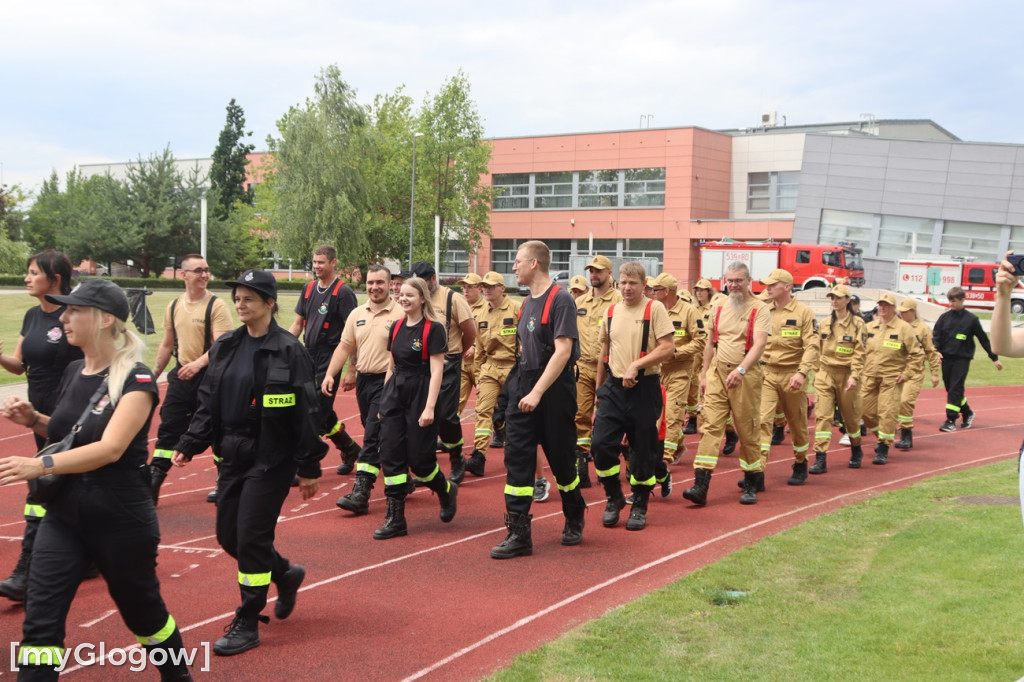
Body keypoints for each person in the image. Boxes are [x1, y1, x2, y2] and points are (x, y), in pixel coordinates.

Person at [0, 278, 192, 680]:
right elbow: (72, 433)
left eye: (73, 311)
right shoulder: (74, 370)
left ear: (105, 319)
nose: (64, 318)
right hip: (64, 515)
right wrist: (34, 419)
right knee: (39, 623)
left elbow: (110, 448)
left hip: (119, 518)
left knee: (145, 616)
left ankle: (177, 674)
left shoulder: (138, 380)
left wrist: (42, 466)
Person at [173, 270, 326, 656]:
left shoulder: (290, 350)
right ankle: (284, 574)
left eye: (249, 300)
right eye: (238, 299)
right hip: (232, 455)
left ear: (270, 304)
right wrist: (190, 443)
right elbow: (208, 401)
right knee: (229, 537)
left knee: (252, 537)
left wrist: (308, 466)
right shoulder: (226, 346)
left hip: (272, 459)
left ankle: (248, 618)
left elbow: (308, 412)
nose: (241, 305)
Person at [491, 240, 586, 558]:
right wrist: (507, 396)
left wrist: (537, 392)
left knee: (561, 463)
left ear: (534, 263)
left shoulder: (560, 300)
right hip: (525, 388)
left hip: (553, 393)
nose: (513, 266)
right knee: (517, 463)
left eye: (517, 261)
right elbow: (522, 356)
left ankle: (574, 513)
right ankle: (518, 533)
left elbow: (562, 352)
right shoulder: (526, 303)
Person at [0, 251, 83, 603]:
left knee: (44, 484)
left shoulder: (74, 316)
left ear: (56, 279)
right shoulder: (33, 316)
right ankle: (88, 552)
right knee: (64, 483)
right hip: (37, 414)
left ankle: (27, 569)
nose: (26, 278)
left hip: (68, 412)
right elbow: (19, 366)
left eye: (33, 273)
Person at [371, 276, 458, 540]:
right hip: (395, 392)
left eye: (410, 295)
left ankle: (444, 489)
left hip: (421, 392)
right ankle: (396, 518)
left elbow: (437, 371)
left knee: (420, 460)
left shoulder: (433, 329)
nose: (403, 298)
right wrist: (384, 401)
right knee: (391, 454)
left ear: (422, 298)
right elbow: (391, 366)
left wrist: (430, 408)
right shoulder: (396, 327)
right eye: (401, 294)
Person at [593, 263, 674, 530]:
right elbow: (603, 350)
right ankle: (614, 496)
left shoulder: (655, 309)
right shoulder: (611, 311)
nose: (627, 288)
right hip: (613, 389)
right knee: (601, 447)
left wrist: (636, 365)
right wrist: (599, 390)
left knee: (642, 452)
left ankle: (639, 503)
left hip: (644, 388)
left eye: (633, 283)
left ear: (643, 285)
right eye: (624, 283)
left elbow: (668, 348)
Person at [682, 261, 770, 506]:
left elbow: (759, 344)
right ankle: (700, 485)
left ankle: (752, 480)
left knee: (747, 428)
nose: (733, 285)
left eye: (738, 280)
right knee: (710, 426)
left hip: (746, 376)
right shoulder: (719, 306)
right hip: (718, 374)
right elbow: (710, 343)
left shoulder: (759, 309)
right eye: (730, 280)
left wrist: (741, 370)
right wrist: (704, 375)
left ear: (748, 281)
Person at [150, 254, 233, 505]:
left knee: (217, 429)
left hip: (210, 377)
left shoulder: (216, 306)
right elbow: (166, 345)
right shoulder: (174, 305)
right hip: (182, 376)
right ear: (184, 274)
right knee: (169, 427)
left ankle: (224, 480)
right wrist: (152, 375)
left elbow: (221, 346)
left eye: (207, 270)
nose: (204, 275)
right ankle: (154, 480)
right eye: (198, 271)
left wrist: (198, 364)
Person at [322, 265, 404, 515]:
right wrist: (330, 374)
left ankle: (361, 491)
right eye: (370, 283)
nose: (374, 287)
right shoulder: (357, 313)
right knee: (380, 433)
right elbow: (345, 346)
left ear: (390, 285)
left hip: (389, 382)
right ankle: (404, 477)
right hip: (364, 382)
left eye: (380, 282)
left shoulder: (401, 312)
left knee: (372, 436)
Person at [289, 245, 360, 474]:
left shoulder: (343, 292)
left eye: (321, 262)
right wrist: (280, 349)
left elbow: (353, 336)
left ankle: (302, 464)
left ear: (333, 263)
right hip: (307, 356)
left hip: (331, 357)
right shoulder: (308, 289)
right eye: (314, 262)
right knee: (318, 409)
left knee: (315, 410)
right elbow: (298, 323)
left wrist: (351, 370)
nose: (317, 266)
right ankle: (349, 448)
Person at [411, 261, 476, 483]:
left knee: (448, 416)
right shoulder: (416, 298)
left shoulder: (452, 299)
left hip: (448, 363)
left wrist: (458, 353)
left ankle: (457, 456)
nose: (419, 286)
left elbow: (470, 332)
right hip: (421, 365)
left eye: (423, 282)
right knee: (423, 416)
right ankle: (427, 467)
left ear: (432, 279)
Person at [757, 269, 820, 486]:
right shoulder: (764, 311)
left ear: (786, 286)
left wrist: (802, 373)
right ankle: (757, 470)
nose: (768, 288)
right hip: (767, 373)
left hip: (792, 373)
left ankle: (801, 462)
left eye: (773, 284)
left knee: (796, 422)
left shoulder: (804, 312)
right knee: (762, 421)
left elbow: (812, 344)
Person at [465, 272, 521, 478]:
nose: (486, 290)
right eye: (484, 287)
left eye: (491, 286)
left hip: (513, 368)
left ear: (502, 288)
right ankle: (478, 456)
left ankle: (516, 455)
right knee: (483, 410)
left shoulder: (516, 309)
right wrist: (478, 377)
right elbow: (479, 349)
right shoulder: (482, 316)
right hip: (490, 368)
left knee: (514, 414)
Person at [573, 255, 623, 487]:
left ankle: (612, 464)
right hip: (583, 367)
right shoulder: (580, 302)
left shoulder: (621, 301)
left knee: (612, 418)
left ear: (609, 273)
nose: (594, 275)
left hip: (613, 369)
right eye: (591, 271)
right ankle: (581, 464)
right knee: (580, 416)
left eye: (599, 271)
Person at [860, 293, 924, 465]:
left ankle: (883, 447)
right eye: (880, 305)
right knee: (864, 411)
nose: (882, 308)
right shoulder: (870, 327)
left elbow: (917, 355)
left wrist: (907, 374)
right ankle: (882, 435)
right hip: (869, 377)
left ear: (893, 308)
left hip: (891, 379)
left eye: (886, 305)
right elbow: (859, 351)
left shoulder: (904, 328)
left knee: (886, 413)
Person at [810, 284, 866, 473]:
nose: (834, 301)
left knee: (850, 418)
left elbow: (860, 353)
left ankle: (856, 448)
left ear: (848, 301)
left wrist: (855, 376)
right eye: (832, 298)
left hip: (847, 374)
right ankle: (820, 457)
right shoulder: (825, 322)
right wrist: (816, 372)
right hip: (826, 373)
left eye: (838, 298)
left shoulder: (858, 324)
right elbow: (816, 348)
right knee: (823, 416)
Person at [932, 286, 1002, 431]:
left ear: (963, 300)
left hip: (962, 359)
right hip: (947, 358)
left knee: (955, 388)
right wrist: (936, 350)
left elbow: (984, 339)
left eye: (955, 301)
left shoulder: (971, 319)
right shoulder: (944, 317)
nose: (952, 304)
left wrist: (994, 358)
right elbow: (936, 335)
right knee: (950, 388)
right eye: (950, 301)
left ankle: (950, 420)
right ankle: (967, 412)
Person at [649, 273, 701, 466]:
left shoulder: (689, 311)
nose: (652, 292)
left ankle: (665, 457)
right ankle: (677, 444)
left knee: (673, 414)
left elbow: (700, 340)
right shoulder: (654, 310)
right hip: (657, 371)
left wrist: (676, 352)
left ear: (666, 291)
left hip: (680, 370)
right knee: (656, 415)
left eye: (655, 289)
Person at [894, 297, 941, 449]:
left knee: (905, 401)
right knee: (891, 404)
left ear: (913, 311)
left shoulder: (922, 329)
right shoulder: (895, 326)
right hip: (896, 370)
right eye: (900, 312)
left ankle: (906, 435)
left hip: (914, 371)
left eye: (905, 312)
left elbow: (930, 351)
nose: (901, 314)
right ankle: (894, 433)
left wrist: (935, 373)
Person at [458, 273, 487, 417]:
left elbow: (490, 334)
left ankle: (500, 434)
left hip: (480, 364)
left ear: (480, 288)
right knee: (455, 402)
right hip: (462, 362)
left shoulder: (487, 308)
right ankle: (450, 437)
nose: (466, 291)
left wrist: (475, 347)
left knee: (486, 402)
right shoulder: (460, 306)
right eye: (464, 287)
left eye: (470, 287)